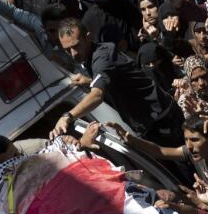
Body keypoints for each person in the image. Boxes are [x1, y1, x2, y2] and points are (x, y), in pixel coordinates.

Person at [51, 19, 182, 147]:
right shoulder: (93, 57)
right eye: (67, 50)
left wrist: (68, 116)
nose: (73, 54)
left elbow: (97, 95)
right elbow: (113, 78)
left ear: (88, 37)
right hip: (150, 122)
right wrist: (90, 81)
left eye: (76, 46)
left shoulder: (102, 58)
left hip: (163, 120)